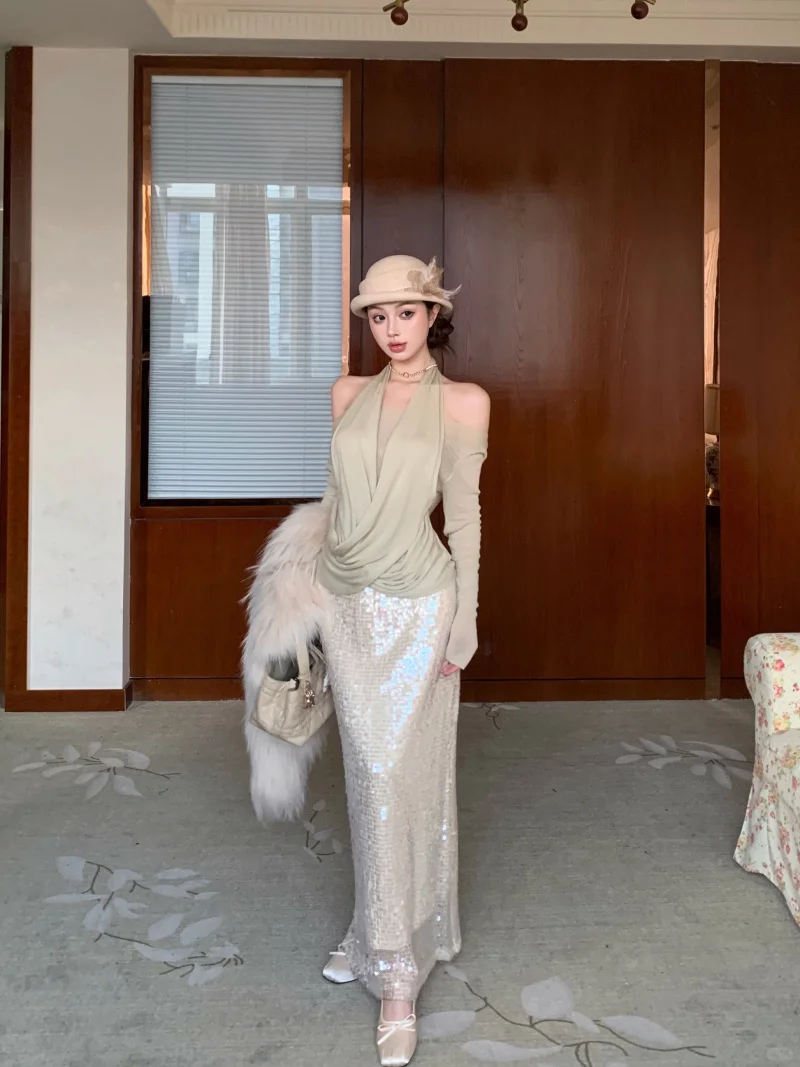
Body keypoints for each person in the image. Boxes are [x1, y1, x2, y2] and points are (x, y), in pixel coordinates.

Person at [316, 255, 490, 1066]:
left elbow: (466, 516)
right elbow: (334, 501)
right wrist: (307, 601)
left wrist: (467, 621)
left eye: (406, 313)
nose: (391, 329)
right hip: (345, 603)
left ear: (432, 315)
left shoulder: (463, 402)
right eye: (377, 315)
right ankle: (370, 926)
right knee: (366, 776)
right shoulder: (346, 394)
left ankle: (396, 972)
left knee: (398, 774)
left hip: (420, 605)